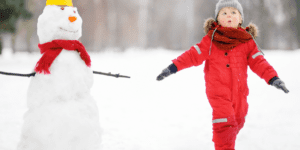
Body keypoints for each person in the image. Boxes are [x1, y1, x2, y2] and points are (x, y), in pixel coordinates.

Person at [156, 0, 289, 149]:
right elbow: (192, 55)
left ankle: (227, 140)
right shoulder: (211, 40)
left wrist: (273, 78)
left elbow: (259, 62)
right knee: (225, 123)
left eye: (233, 12)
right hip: (218, 93)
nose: (229, 16)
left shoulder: (247, 42)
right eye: (224, 13)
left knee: (238, 119)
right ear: (217, 19)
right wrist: (172, 67)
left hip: (240, 93)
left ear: (240, 18)